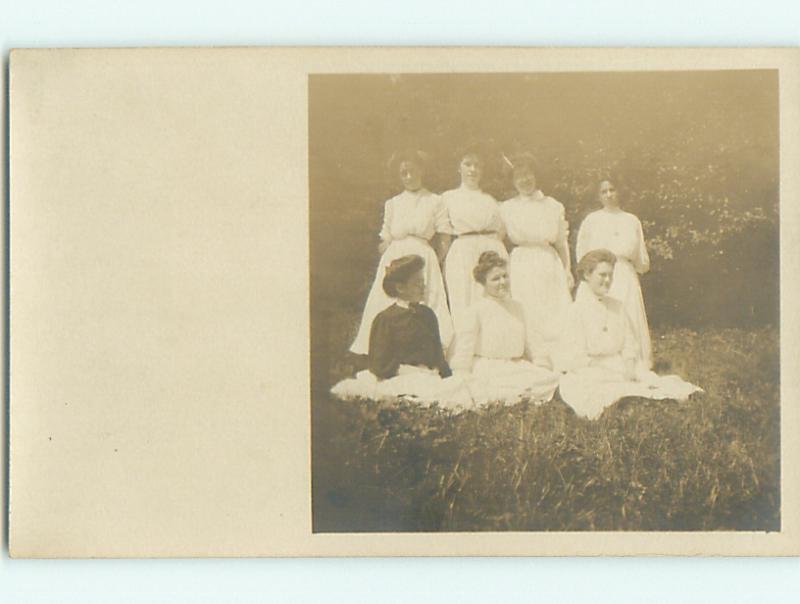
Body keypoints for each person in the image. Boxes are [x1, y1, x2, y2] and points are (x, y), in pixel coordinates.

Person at [553, 249, 701, 420]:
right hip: (591, 369)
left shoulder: (617, 307)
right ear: (587, 275)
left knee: (648, 380)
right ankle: (629, 402)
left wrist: (630, 366)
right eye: (602, 275)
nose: (608, 280)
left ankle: (647, 400)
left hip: (620, 364)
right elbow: (573, 355)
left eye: (611, 275)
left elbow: (630, 343)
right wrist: (607, 369)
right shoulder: (575, 311)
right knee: (598, 388)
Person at [349, 150, 453, 356]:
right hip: (395, 256)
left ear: (422, 171)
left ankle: (425, 354)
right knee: (388, 303)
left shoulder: (435, 200)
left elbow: (445, 237)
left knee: (425, 304)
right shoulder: (393, 203)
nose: (408, 177)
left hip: (424, 258)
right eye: (403, 173)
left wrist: (435, 262)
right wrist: (387, 256)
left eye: (412, 171)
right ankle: (384, 354)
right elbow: (385, 237)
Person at [332, 255, 470, 407]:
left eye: (423, 282)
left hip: (428, 375)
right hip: (400, 376)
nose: (423, 287)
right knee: (420, 394)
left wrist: (446, 376)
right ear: (400, 288)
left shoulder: (427, 315)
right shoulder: (385, 319)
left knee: (458, 386)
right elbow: (379, 363)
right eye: (417, 283)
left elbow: (437, 353)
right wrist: (404, 371)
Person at [448, 251, 559, 405]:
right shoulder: (476, 310)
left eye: (505, 276)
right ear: (483, 283)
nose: (502, 282)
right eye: (495, 279)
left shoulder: (518, 308)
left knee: (551, 380)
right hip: (489, 368)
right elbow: (464, 349)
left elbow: (533, 343)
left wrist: (542, 365)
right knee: (497, 390)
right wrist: (462, 376)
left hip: (516, 366)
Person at [499, 152, 573, 366]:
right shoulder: (506, 208)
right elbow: (497, 240)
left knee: (554, 309)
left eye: (528, 174)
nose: (524, 180)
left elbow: (561, 243)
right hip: (521, 264)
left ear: (536, 175)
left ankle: (560, 358)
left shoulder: (553, 205)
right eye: (518, 176)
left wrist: (567, 270)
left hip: (548, 262)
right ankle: (535, 358)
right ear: (513, 181)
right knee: (528, 309)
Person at [575, 177, 652, 368]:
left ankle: (635, 363)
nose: (609, 195)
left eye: (612, 189)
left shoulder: (631, 220)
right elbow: (582, 254)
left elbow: (641, 260)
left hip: (625, 277)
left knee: (628, 318)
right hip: (598, 279)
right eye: (604, 191)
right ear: (598, 195)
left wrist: (632, 268)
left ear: (619, 191)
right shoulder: (591, 220)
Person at [441, 145, 508, 341]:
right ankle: (464, 351)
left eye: (477, 165)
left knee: (491, 300)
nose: (472, 170)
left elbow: (501, 231)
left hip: (490, 251)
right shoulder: (448, 198)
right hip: (462, 253)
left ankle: (493, 347)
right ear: (458, 168)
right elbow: (444, 233)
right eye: (467, 164)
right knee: (463, 301)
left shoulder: (491, 201)